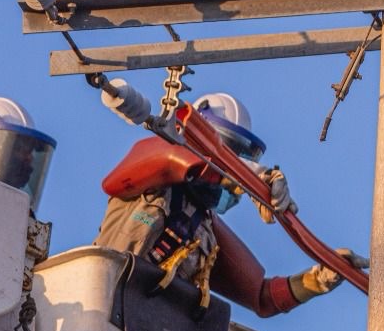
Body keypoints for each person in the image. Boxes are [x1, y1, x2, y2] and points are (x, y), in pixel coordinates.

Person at [94, 92, 366, 317]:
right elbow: (175, 158)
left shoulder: (205, 230)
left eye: (241, 158)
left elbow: (262, 297)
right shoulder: (147, 179)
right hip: (99, 307)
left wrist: (317, 280)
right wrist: (253, 177)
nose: (234, 167)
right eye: (230, 154)